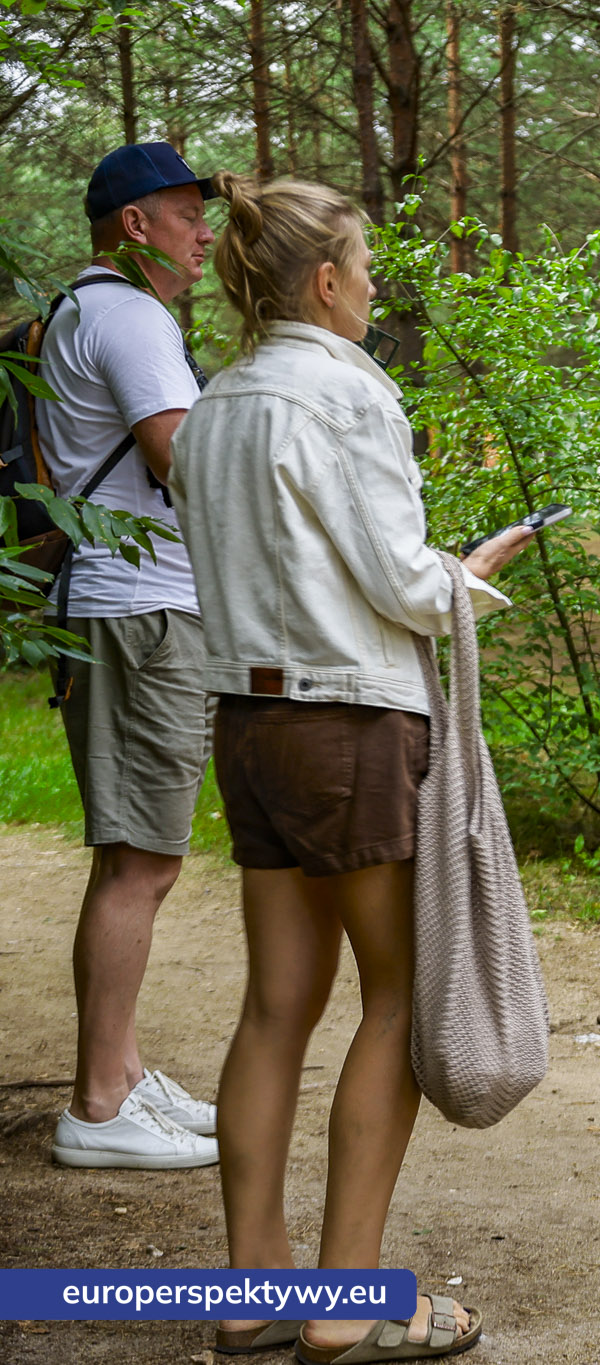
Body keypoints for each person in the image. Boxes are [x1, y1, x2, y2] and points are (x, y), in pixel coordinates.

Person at [167, 174, 530, 1362]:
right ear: (325, 282)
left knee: (275, 1008)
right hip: (352, 728)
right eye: (367, 270)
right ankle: (344, 1301)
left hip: (250, 726)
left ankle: (247, 1296)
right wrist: (470, 575)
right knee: (394, 1003)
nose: (375, 289)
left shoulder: (214, 403)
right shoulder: (344, 391)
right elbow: (398, 580)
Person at [41, 143, 223, 1172]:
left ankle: (123, 1072)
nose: (205, 233)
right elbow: (179, 458)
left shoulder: (87, 309)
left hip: (121, 604)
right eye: (185, 213)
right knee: (142, 865)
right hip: (142, 609)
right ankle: (99, 1107)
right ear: (133, 226)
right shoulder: (131, 316)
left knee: (133, 858)